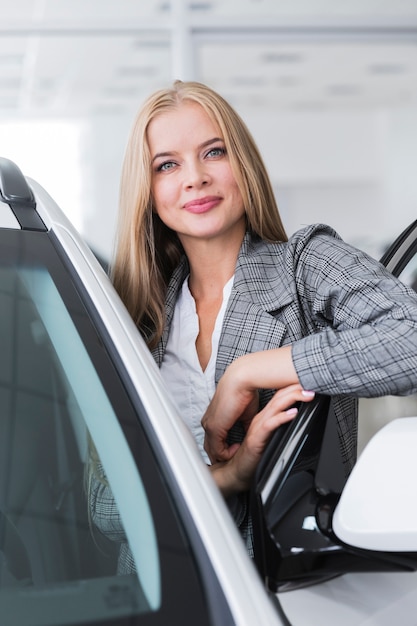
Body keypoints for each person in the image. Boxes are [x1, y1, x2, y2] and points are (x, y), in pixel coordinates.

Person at [91, 79, 417, 562]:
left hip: (285, 589)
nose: (195, 177)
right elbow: (103, 505)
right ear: (148, 188)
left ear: (242, 163)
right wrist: (227, 478)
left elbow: (409, 340)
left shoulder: (305, 264)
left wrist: (251, 371)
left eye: (214, 152)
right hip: (161, 587)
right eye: (167, 164)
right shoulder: (135, 316)